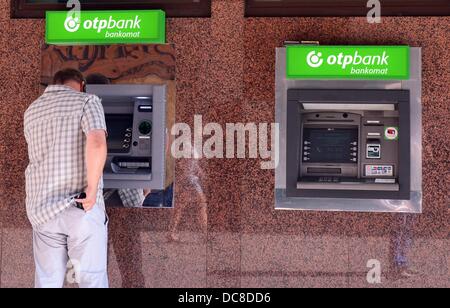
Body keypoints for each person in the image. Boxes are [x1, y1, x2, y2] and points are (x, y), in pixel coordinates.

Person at [24, 68, 109, 288]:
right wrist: (91, 189)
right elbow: (97, 141)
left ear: (55, 83)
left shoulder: (32, 110)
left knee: (46, 281)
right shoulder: (88, 101)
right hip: (80, 206)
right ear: (81, 84)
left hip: (43, 211)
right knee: (91, 280)